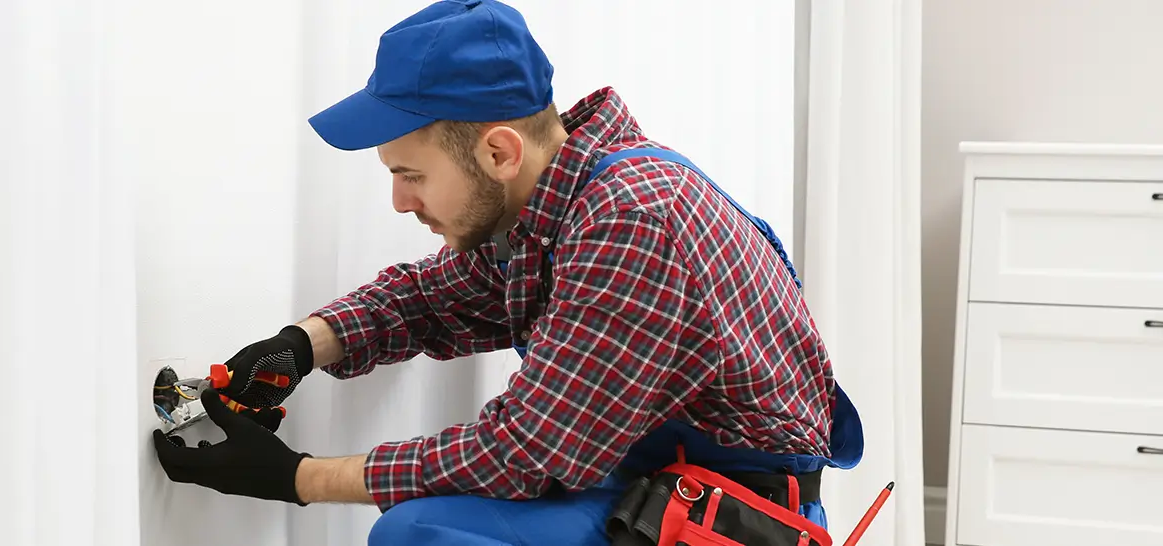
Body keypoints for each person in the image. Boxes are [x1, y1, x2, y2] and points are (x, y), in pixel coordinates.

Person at [152, 1, 864, 544]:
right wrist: (302, 345)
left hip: (725, 518)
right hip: (658, 482)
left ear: (498, 153)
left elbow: (526, 452)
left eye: (411, 175)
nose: (401, 202)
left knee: (422, 533)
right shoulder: (566, 204)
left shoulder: (632, 221)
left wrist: (295, 477)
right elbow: (430, 299)